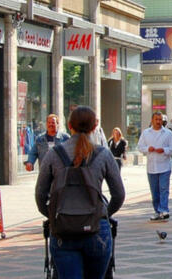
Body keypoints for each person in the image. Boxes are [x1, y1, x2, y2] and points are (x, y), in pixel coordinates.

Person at [35, 106, 124, 279]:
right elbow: (119, 194)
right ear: (93, 127)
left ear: (69, 125)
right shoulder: (103, 154)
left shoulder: (54, 154)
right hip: (97, 229)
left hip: (63, 230)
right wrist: (104, 213)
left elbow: (40, 194)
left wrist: (54, 215)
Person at [137, 112, 172, 221]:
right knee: (155, 191)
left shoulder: (168, 133)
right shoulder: (146, 133)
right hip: (152, 167)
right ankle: (157, 211)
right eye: (156, 119)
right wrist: (147, 149)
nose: (158, 122)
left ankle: (164, 209)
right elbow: (140, 147)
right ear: (152, 120)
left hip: (164, 165)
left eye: (160, 119)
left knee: (164, 188)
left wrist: (164, 150)